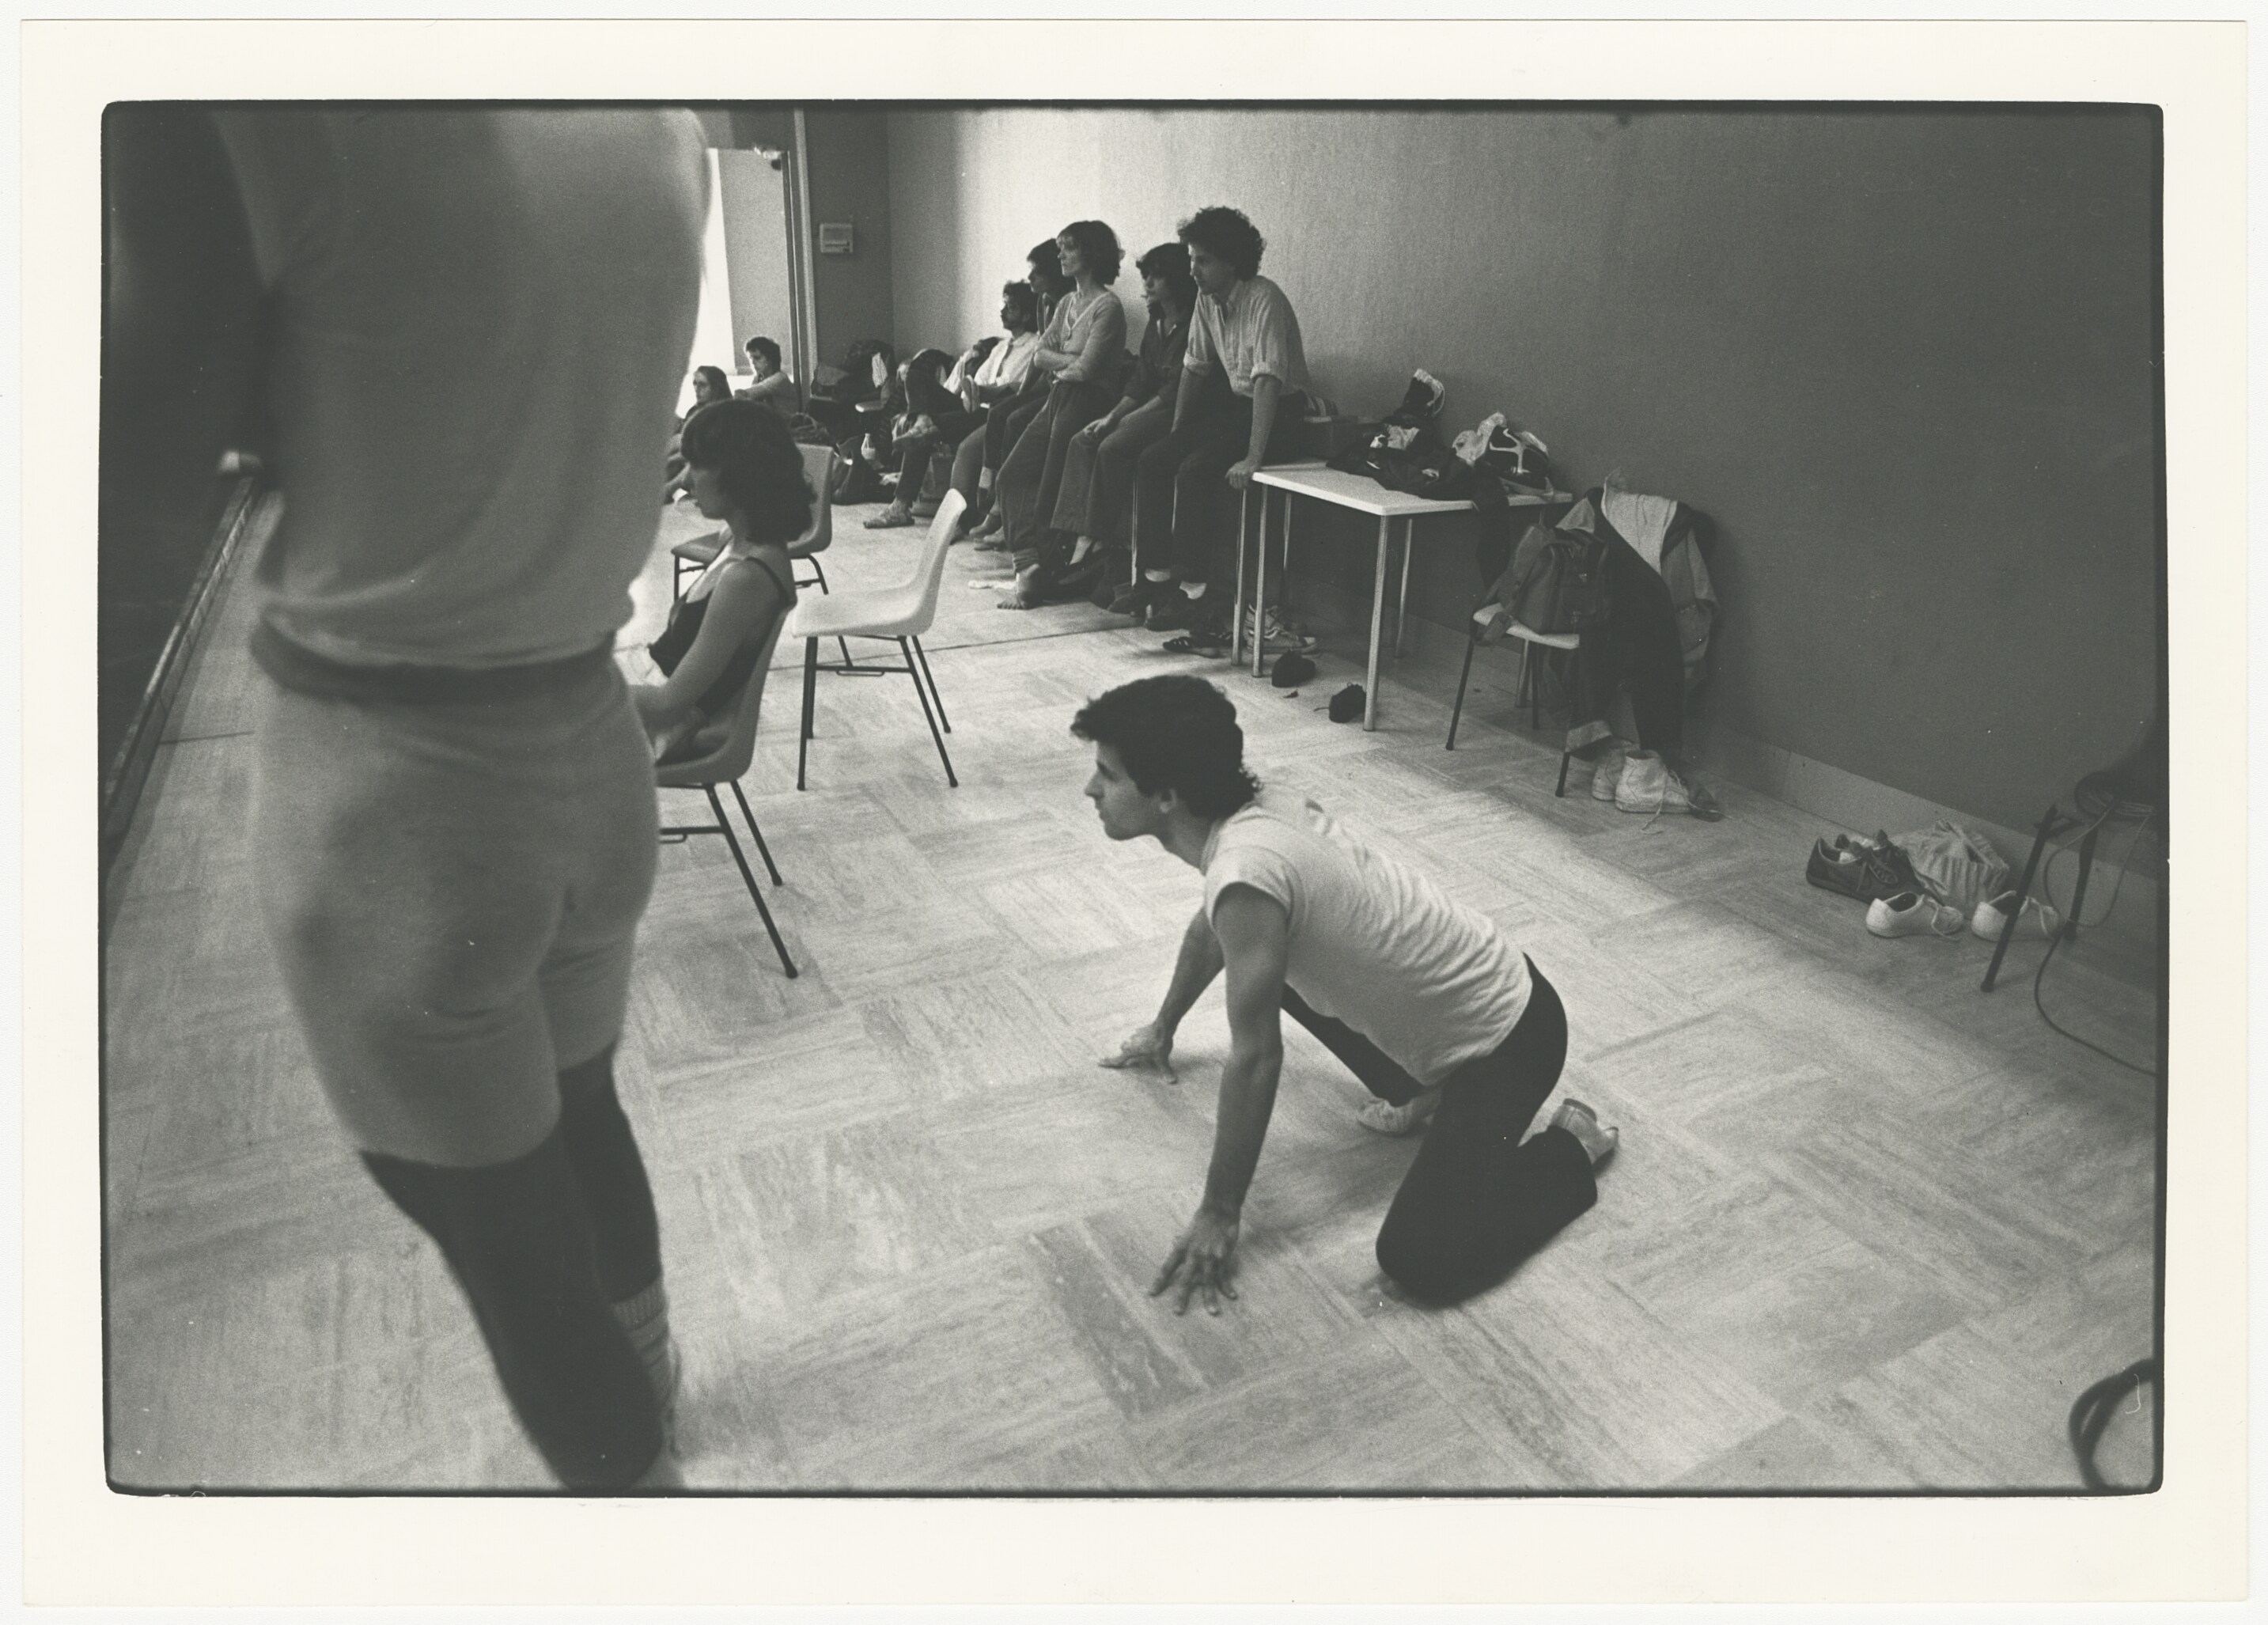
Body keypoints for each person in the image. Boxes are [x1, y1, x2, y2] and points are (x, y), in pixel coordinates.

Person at [105, 105, 705, 1490]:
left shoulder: (257, 102)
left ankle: (651, 1507)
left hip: (397, 797)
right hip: (585, 738)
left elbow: (134, 463)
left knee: (504, 1240)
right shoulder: (653, 116)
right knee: (582, 1117)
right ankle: (657, 1397)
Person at [1073, 676, 1619, 1312]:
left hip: (1509, 1042)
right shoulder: (1247, 818)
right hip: (1473, 1012)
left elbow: (1255, 1060)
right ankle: (1424, 1093)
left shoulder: (1247, 869)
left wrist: (1220, 1211)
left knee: (1421, 1260)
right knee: (1262, 964)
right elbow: (1217, 925)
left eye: (1106, 776)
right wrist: (1162, 1027)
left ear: (1166, 796)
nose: (1091, 790)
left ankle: (1572, 1146)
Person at [1127, 207, 1312, 644]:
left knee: (1196, 471)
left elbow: (1268, 383)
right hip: (1240, 408)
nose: (1193, 271)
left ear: (1232, 260)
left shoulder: (1264, 298)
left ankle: (1195, 593)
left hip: (1284, 415)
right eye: (1191, 260)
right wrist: (1177, 433)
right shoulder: (1208, 303)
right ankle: (1156, 578)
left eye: (1203, 261)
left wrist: (1253, 456)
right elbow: (1193, 369)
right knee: (1155, 459)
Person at [634, 399, 805, 764]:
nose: (685, 479)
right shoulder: (737, 539)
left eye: (697, 466)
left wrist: (576, 698)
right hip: (652, 699)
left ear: (737, 474)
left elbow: (668, 706)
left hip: (664, 729)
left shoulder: (747, 578)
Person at [994, 220, 1129, 609]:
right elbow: (1039, 353)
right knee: (1012, 474)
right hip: (1059, 396)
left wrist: (1061, 362)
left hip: (1086, 401)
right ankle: (1028, 563)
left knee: (1050, 485)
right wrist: (1066, 361)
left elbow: (1088, 371)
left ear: (1090, 253)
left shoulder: (1109, 307)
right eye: (1061, 247)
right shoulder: (1068, 303)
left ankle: (1043, 577)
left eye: (1069, 248)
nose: (1061, 256)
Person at [1057, 241, 1196, 607]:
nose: (1147, 282)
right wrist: (1112, 415)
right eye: (1145, 275)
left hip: (1177, 411)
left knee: (1113, 445)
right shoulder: (1156, 321)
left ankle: (1098, 542)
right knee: (1084, 439)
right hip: (1149, 407)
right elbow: (1140, 382)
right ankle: (1084, 540)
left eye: (1156, 276)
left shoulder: (1194, 323)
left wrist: (1126, 420)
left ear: (1178, 280)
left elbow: (1173, 390)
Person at [957, 240, 1073, 536]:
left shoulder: (1068, 302)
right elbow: (1042, 354)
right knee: (1002, 410)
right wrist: (1022, 392)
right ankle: (993, 498)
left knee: (1014, 418)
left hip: (1060, 383)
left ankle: (1001, 511)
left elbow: (1045, 352)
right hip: (1045, 378)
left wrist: (1024, 389)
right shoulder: (1046, 302)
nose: (1031, 277)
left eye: (1037, 272)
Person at [663, 365, 733, 499]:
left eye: (702, 385)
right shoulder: (695, 410)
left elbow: (704, 449)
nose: (697, 389)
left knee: (685, 449)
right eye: (695, 384)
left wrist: (670, 459)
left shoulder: (725, 412)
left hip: (717, 468)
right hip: (692, 464)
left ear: (715, 387)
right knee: (677, 439)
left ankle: (667, 489)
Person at [735, 335, 798, 409]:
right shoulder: (758, 378)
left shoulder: (779, 378)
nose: (753, 362)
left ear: (771, 359)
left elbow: (745, 395)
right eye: (750, 358)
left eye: (757, 358)